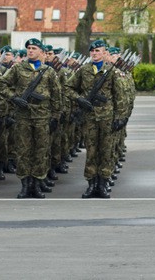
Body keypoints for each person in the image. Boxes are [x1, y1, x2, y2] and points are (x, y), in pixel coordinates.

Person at [0, 38, 61, 198]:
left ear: (41, 51)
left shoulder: (48, 71)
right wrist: (14, 98)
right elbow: (1, 85)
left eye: (34, 48)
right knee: (23, 151)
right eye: (29, 48)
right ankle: (25, 185)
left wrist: (55, 116)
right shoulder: (18, 69)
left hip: (42, 117)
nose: (31, 51)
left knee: (41, 151)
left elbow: (56, 95)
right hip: (23, 117)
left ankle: (37, 184)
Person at [65, 40, 126, 199]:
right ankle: (92, 184)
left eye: (98, 51)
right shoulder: (83, 71)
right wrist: (79, 99)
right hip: (89, 118)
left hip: (107, 117)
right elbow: (68, 88)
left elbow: (119, 95)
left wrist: (120, 117)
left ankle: (103, 184)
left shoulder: (111, 71)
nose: (94, 54)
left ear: (104, 53)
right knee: (91, 152)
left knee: (106, 151)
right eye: (92, 51)